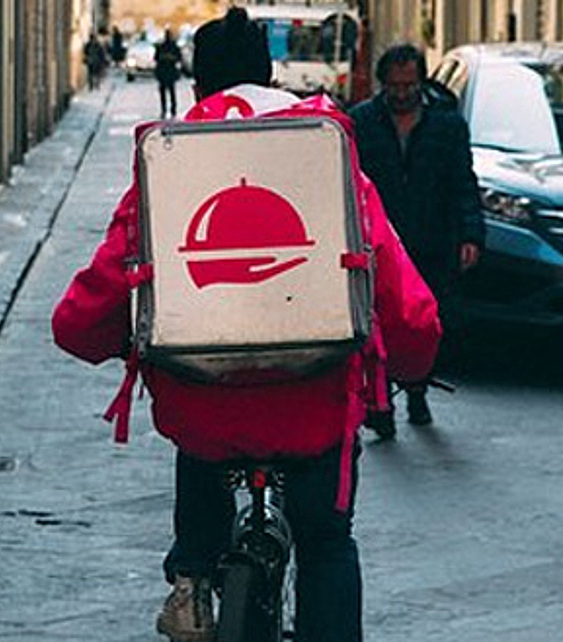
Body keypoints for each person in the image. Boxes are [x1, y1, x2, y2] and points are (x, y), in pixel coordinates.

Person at [52, 8, 441, 641]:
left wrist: (100, 335)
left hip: (204, 410)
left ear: (200, 88)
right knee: (326, 543)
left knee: (200, 437)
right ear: (271, 76)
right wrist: (415, 359)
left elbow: (91, 305)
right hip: (314, 406)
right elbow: (396, 288)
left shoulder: (170, 163)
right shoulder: (326, 154)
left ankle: (192, 579)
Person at [349, 44, 485, 437]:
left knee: (425, 325)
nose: (402, 93)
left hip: (433, 240)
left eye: (409, 85)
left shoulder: (447, 126)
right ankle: (382, 404)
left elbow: (463, 182)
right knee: (380, 325)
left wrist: (471, 234)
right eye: (395, 85)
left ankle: (417, 390)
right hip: (381, 244)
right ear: (383, 84)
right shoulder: (363, 123)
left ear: (421, 82)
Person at [154, 28, 182, 118]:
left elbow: (178, 58)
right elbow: (156, 58)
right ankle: (166, 109)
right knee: (167, 92)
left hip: (168, 71)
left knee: (170, 92)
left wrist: (170, 58)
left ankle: (171, 110)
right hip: (165, 71)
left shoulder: (173, 46)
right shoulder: (162, 46)